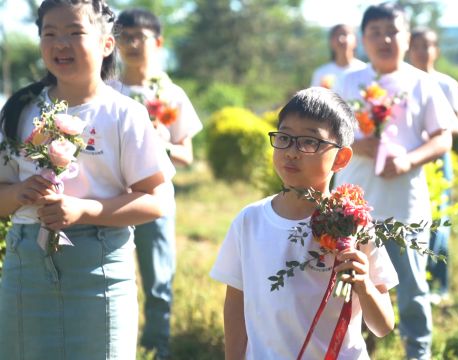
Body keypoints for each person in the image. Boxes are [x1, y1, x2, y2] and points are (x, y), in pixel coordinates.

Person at [0, 0, 174, 359]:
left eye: (75, 32)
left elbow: (158, 199)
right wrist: (19, 193)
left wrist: (84, 210)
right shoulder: (20, 109)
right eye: (49, 33)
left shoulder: (124, 114)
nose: (60, 44)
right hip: (26, 265)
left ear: (107, 43)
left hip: (99, 266)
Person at [210, 87, 398, 359]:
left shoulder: (354, 226)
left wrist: (364, 285)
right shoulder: (249, 221)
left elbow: (382, 326)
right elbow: (236, 306)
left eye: (309, 142)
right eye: (284, 138)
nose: (292, 152)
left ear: (341, 158)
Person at [334, 3, 455, 359]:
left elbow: (442, 138)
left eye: (393, 31)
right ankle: (357, 351)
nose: (385, 39)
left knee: (413, 291)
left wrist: (407, 160)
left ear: (406, 37)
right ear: (363, 39)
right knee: (351, 284)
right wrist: (358, 143)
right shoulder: (349, 81)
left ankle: (418, 353)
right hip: (354, 206)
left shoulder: (422, 82)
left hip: (405, 208)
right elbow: (328, 135)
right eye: (375, 32)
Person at [111, 8, 203, 358]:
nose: (132, 44)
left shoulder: (171, 93)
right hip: (112, 197)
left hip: (156, 198)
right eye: (124, 36)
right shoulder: (107, 89)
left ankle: (156, 347)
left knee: (157, 280)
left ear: (158, 42)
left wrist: (159, 141)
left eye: (141, 37)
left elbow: (186, 155)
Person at [408, 28, 458, 305]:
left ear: (436, 50)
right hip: (410, 157)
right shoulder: (403, 82)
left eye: (427, 46)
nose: (422, 51)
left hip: (438, 161)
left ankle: (439, 285)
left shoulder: (447, 84)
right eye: (417, 46)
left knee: (438, 222)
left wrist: (436, 124)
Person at [310, 24, 367, 90]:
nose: (341, 39)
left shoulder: (365, 70)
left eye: (345, 34)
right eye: (336, 35)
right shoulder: (321, 73)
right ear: (330, 42)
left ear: (356, 41)